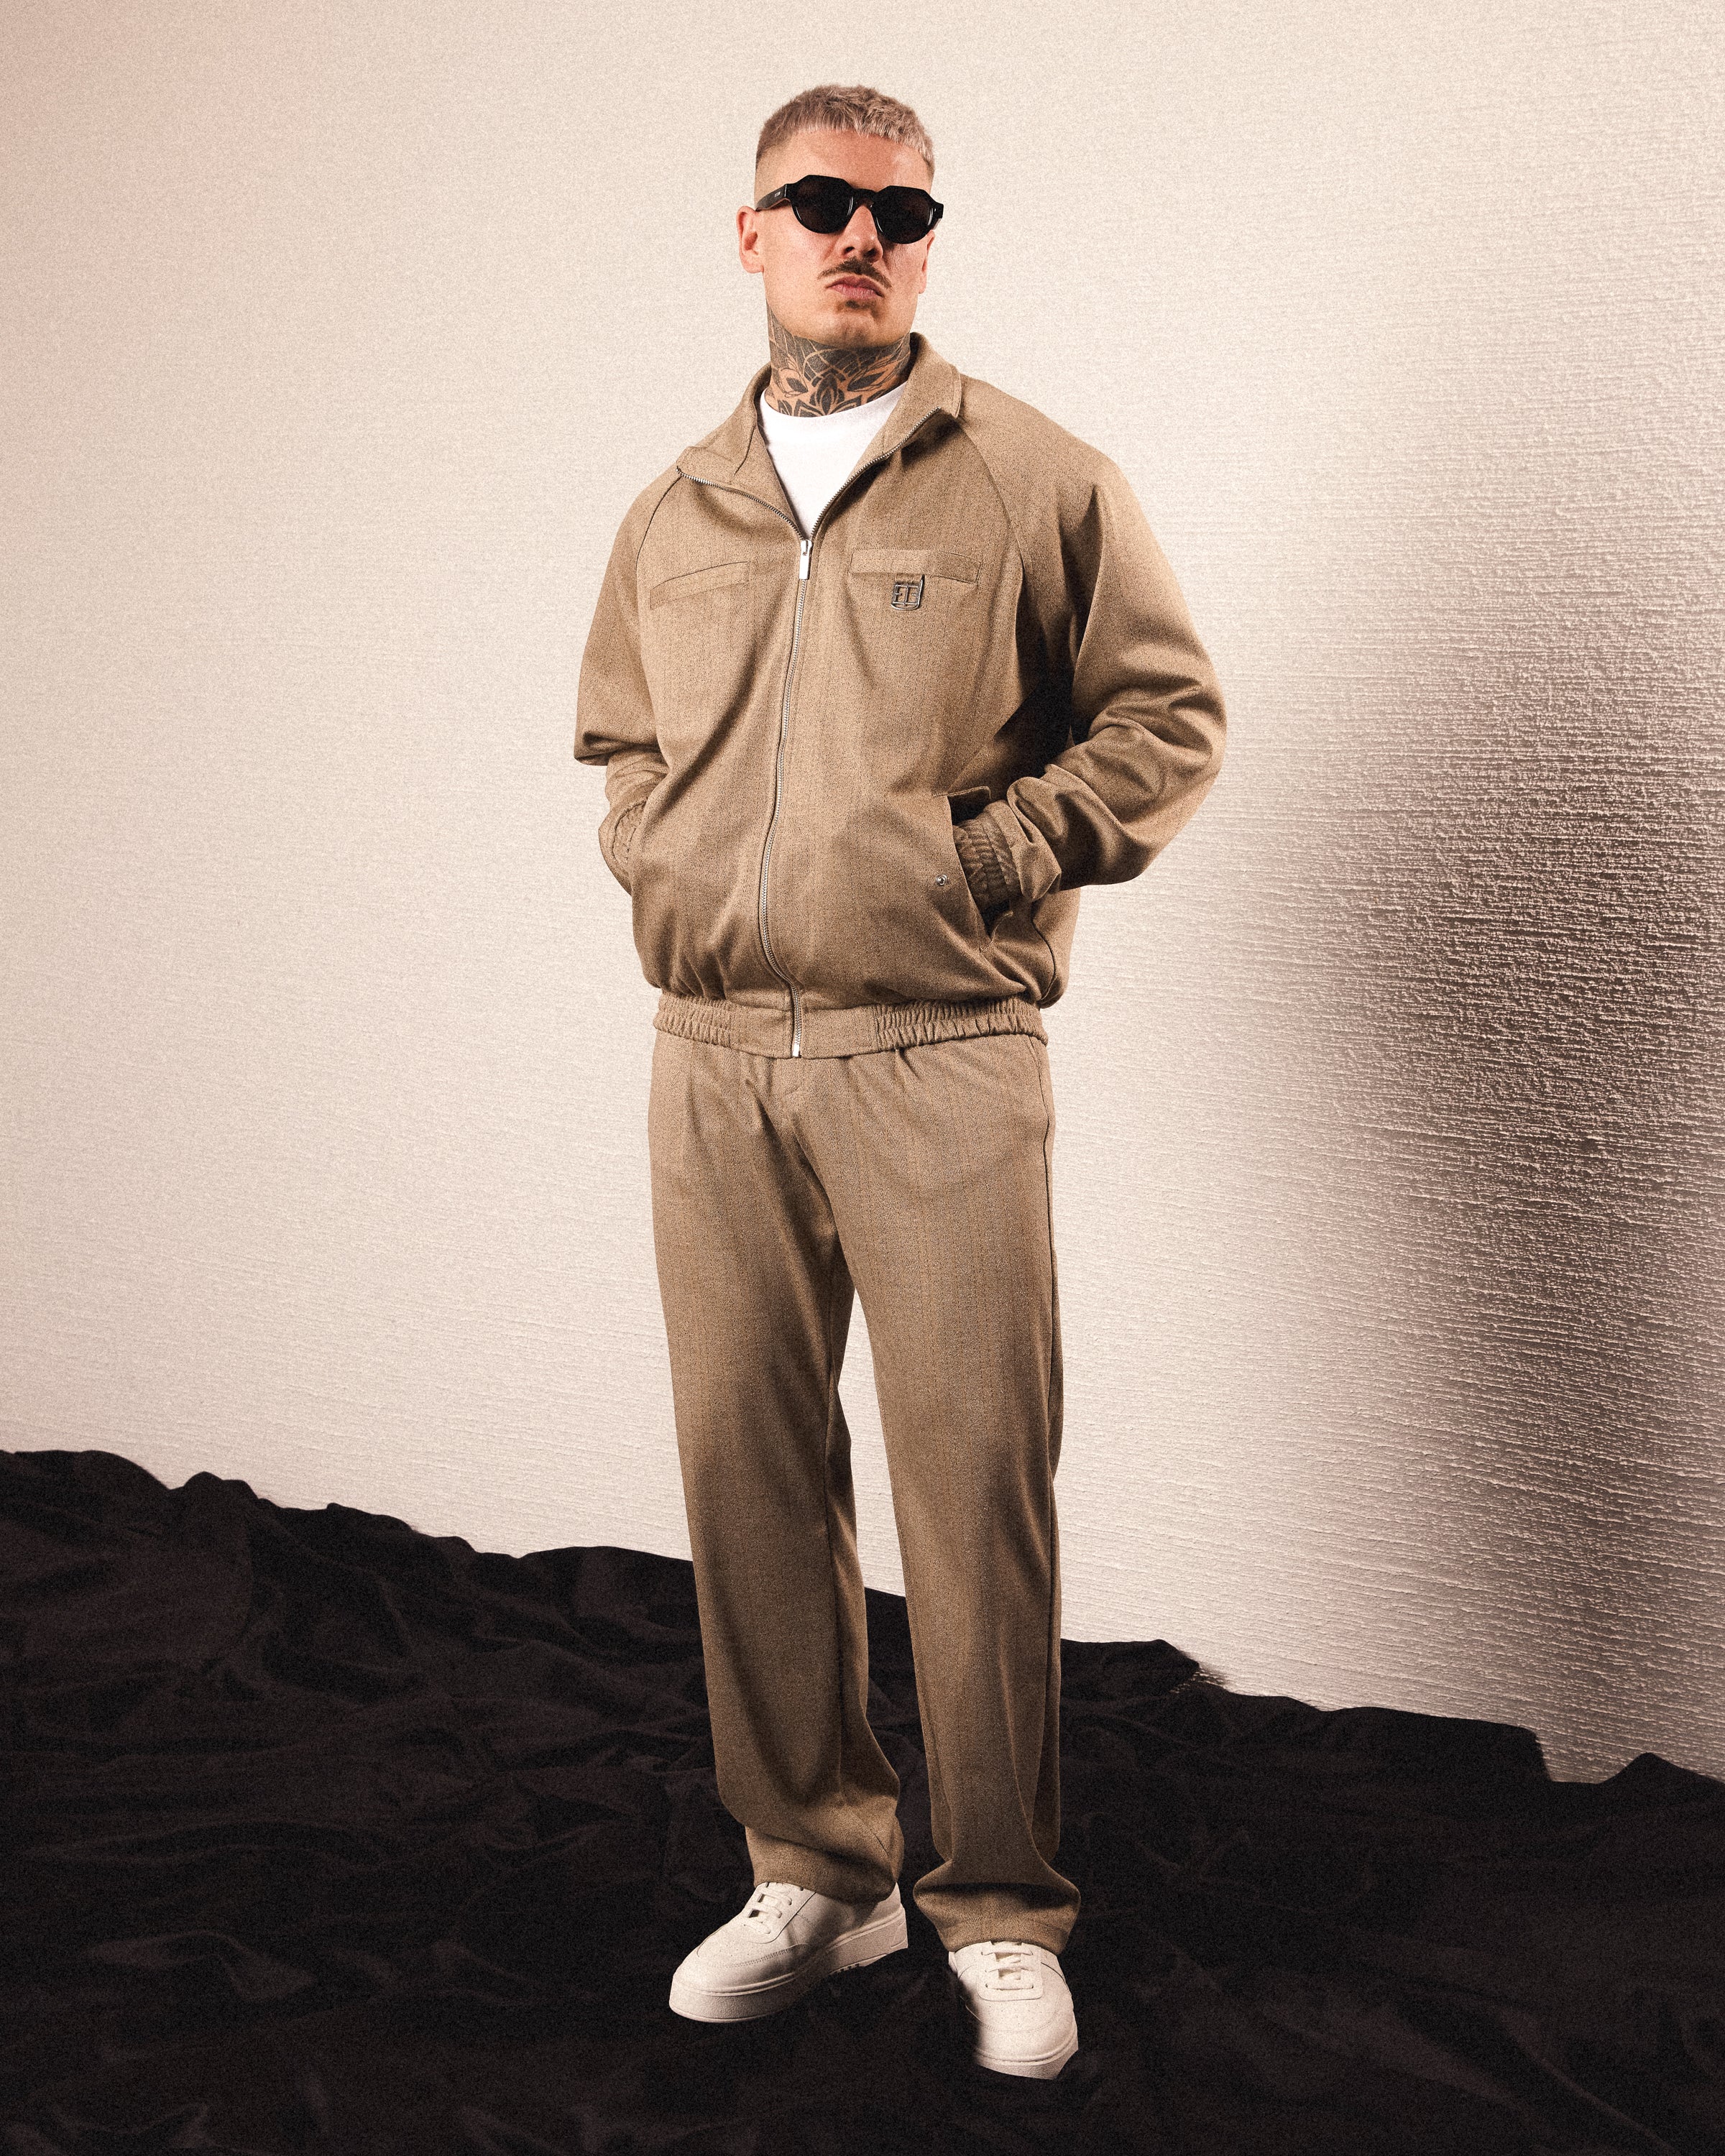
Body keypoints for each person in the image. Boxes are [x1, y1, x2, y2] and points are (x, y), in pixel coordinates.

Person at [574, 83, 1225, 2080]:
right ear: (752, 232)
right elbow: (621, 744)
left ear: (928, 239)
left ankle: (1002, 1905)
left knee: (973, 1481)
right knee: (747, 1472)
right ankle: (819, 1873)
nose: (862, 234)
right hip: (712, 1062)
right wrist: (668, 862)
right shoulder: (678, 510)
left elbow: (1167, 718)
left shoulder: (1034, 477)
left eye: (902, 208)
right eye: (821, 201)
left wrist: (991, 859)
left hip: (939, 1053)